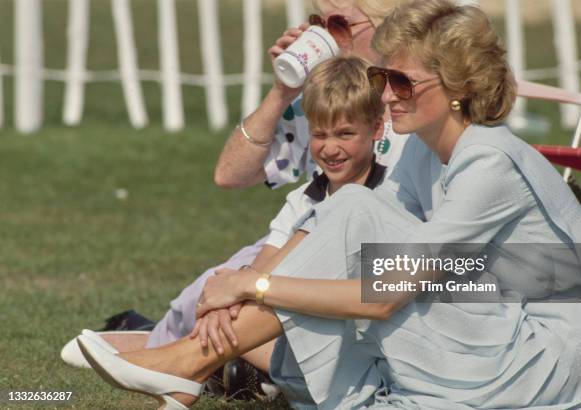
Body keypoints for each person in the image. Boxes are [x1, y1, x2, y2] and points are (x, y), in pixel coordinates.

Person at [77, 0, 581, 409]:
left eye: (401, 80)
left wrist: (252, 284)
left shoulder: (491, 158)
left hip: (545, 355)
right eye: (383, 77)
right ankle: (196, 360)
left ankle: (193, 360)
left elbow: (388, 292)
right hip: (489, 311)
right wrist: (242, 288)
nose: (385, 94)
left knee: (359, 258)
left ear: (457, 88)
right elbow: (340, 233)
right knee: (351, 212)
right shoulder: (421, 154)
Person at [61, 0, 409, 373]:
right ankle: (189, 354)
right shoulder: (322, 105)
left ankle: (187, 358)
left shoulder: (417, 113)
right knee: (210, 292)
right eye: (317, 23)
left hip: (375, 264)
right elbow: (231, 175)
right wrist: (282, 90)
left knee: (251, 296)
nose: (323, 36)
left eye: (338, 24)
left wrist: (249, 289)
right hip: (308, 244)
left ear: (388, 26)